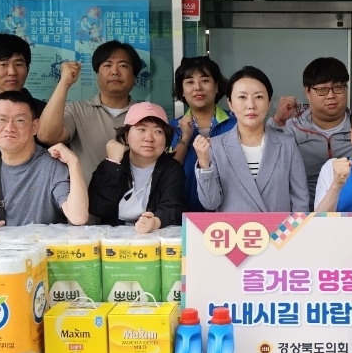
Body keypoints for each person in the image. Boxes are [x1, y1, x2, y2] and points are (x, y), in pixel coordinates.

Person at [0, 90, 88, 230]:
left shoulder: (51, 165)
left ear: (35, 126)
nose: (9, 128)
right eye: (2, 120)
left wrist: (73, 163)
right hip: (2, 243)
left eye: (20, 120)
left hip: (40, 242)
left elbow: (78, 217)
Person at [195, 66, 309, 213]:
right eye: (242, 97)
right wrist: (204, 164)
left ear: (268, 103)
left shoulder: (287, 144)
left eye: (259, 97)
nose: (251, 105)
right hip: (234, 228)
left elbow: (300, 201)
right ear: (230, 104)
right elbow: (210, 203)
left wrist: (292, 228)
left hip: (280, 228)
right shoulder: (215, 146)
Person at [37, 40, 142, 181]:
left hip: (136, 194)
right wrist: (64, 82)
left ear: (134, 76)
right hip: (87, 194)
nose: (115, 72)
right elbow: (46, 136)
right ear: (97, 73)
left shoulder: (146, 115)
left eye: (123, 65)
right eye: (107, 65)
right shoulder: (76, 110)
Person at [88, 102, 185, 232]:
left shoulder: (172, 168)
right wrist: (112, 164)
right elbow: (98, 208)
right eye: (141, 129)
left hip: (155, 237)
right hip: (114, 238)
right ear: (126, 136)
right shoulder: (112, 164)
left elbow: (174, 207)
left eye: (158, 131)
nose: (149, 138)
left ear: (166, 140)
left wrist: (156, 221)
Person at [271, 56, 352, 196]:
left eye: (338, 87)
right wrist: (278, 121)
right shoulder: (293, 129)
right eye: (322, 89)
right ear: (308, 92)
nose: (331, 95)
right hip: (305, 206)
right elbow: (269, 159)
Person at [169, 56, 236, 213]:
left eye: (205, 80)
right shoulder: (171, 128)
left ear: (217, 86)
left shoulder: (236, 124)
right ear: (182, 91)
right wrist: (185, 138)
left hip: (229, 213)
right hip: (183, 213)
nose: (197, 87)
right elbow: (168, 172)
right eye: (190, 82)